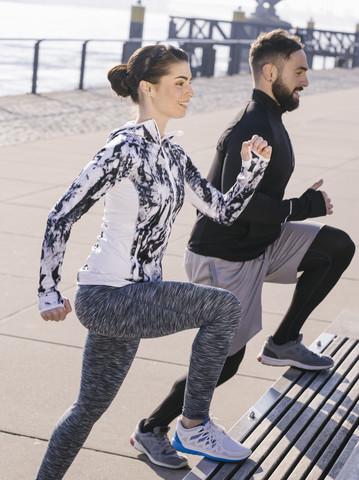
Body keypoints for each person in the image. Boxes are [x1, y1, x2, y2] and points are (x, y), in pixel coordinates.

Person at [35, 44, 272, 479]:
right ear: (148, 88)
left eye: (189, 82)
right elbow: (61, 213)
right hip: (108, 296)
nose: (189, 92)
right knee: (223, 308)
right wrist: (48, 290)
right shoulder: (124, 148)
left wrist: (251, 170)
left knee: (87, 409)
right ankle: (193, 425)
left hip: (135, 299)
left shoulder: (173, 154)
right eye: (179, 83)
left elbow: (222, 212)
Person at [131, 30, 355, 469]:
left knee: (334, 247)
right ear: (270, 72)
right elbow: (238, 207)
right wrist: (303, 204)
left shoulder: (272, 116)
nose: (305, 81)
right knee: (224, 363)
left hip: (262, 243)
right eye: (299, 72)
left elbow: (257, 200)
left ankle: (284, 341)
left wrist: (295, 208)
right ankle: (152, 429)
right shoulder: (251, 125)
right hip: (224, 256)